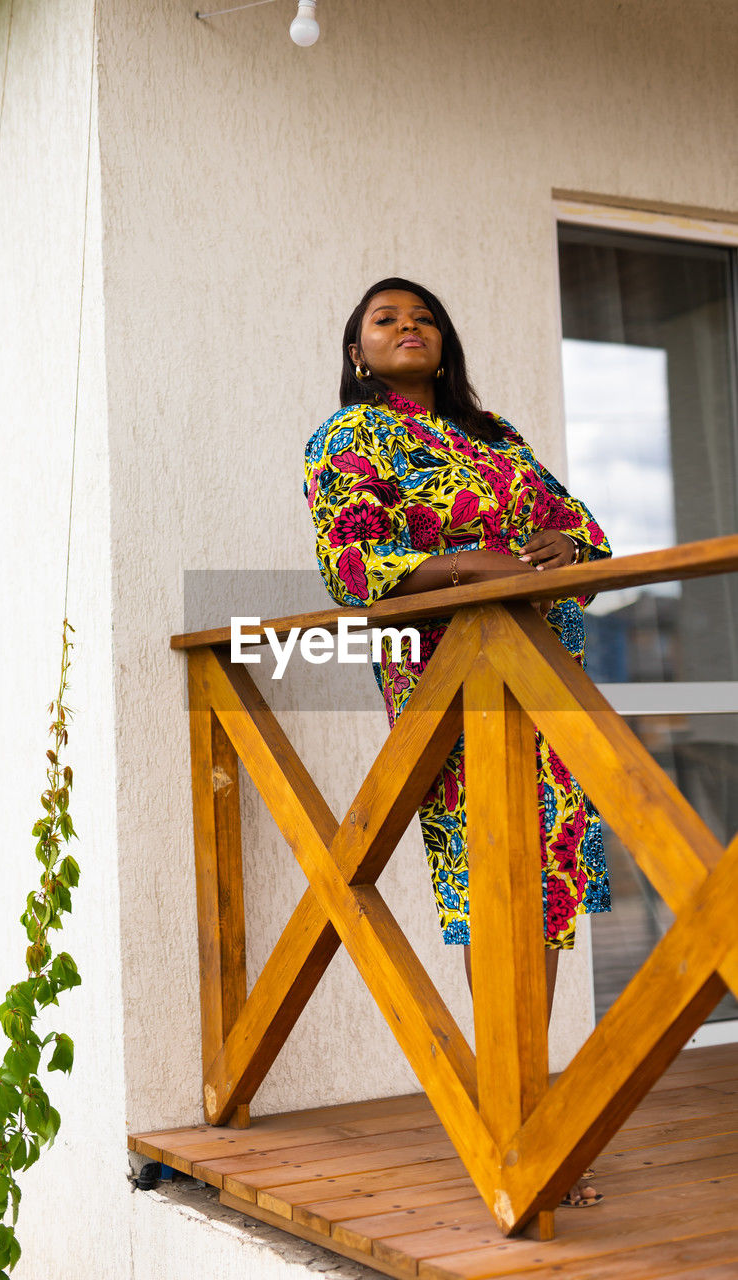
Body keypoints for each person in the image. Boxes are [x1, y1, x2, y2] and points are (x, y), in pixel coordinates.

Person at [304, 277, 611, 1207]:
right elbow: (350, 564)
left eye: (424, 317)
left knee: (548, 882)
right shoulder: (347, 438)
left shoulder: (496, 436)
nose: (409, 328)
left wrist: (566, 549)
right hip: (452, 681)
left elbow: (587, 535)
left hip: (548, 675)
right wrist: (464, 565)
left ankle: (524, 1106)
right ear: (358, 350)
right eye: (386, 320)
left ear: (446, 342)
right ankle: (509, 1119)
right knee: (489, 881)